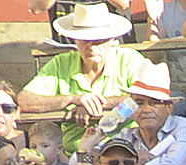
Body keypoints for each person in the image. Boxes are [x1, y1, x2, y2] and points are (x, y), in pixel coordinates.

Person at [19, 3, 143, 155]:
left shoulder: (130, 60)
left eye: (99, 40)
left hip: (124, 151)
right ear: (75, 40)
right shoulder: (61, 63)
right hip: (72, 156)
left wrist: (93, 103)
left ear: (112, 39)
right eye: (85, 40)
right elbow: (24, 100)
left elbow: (145, 98)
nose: (91, 47)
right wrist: (74, 99)